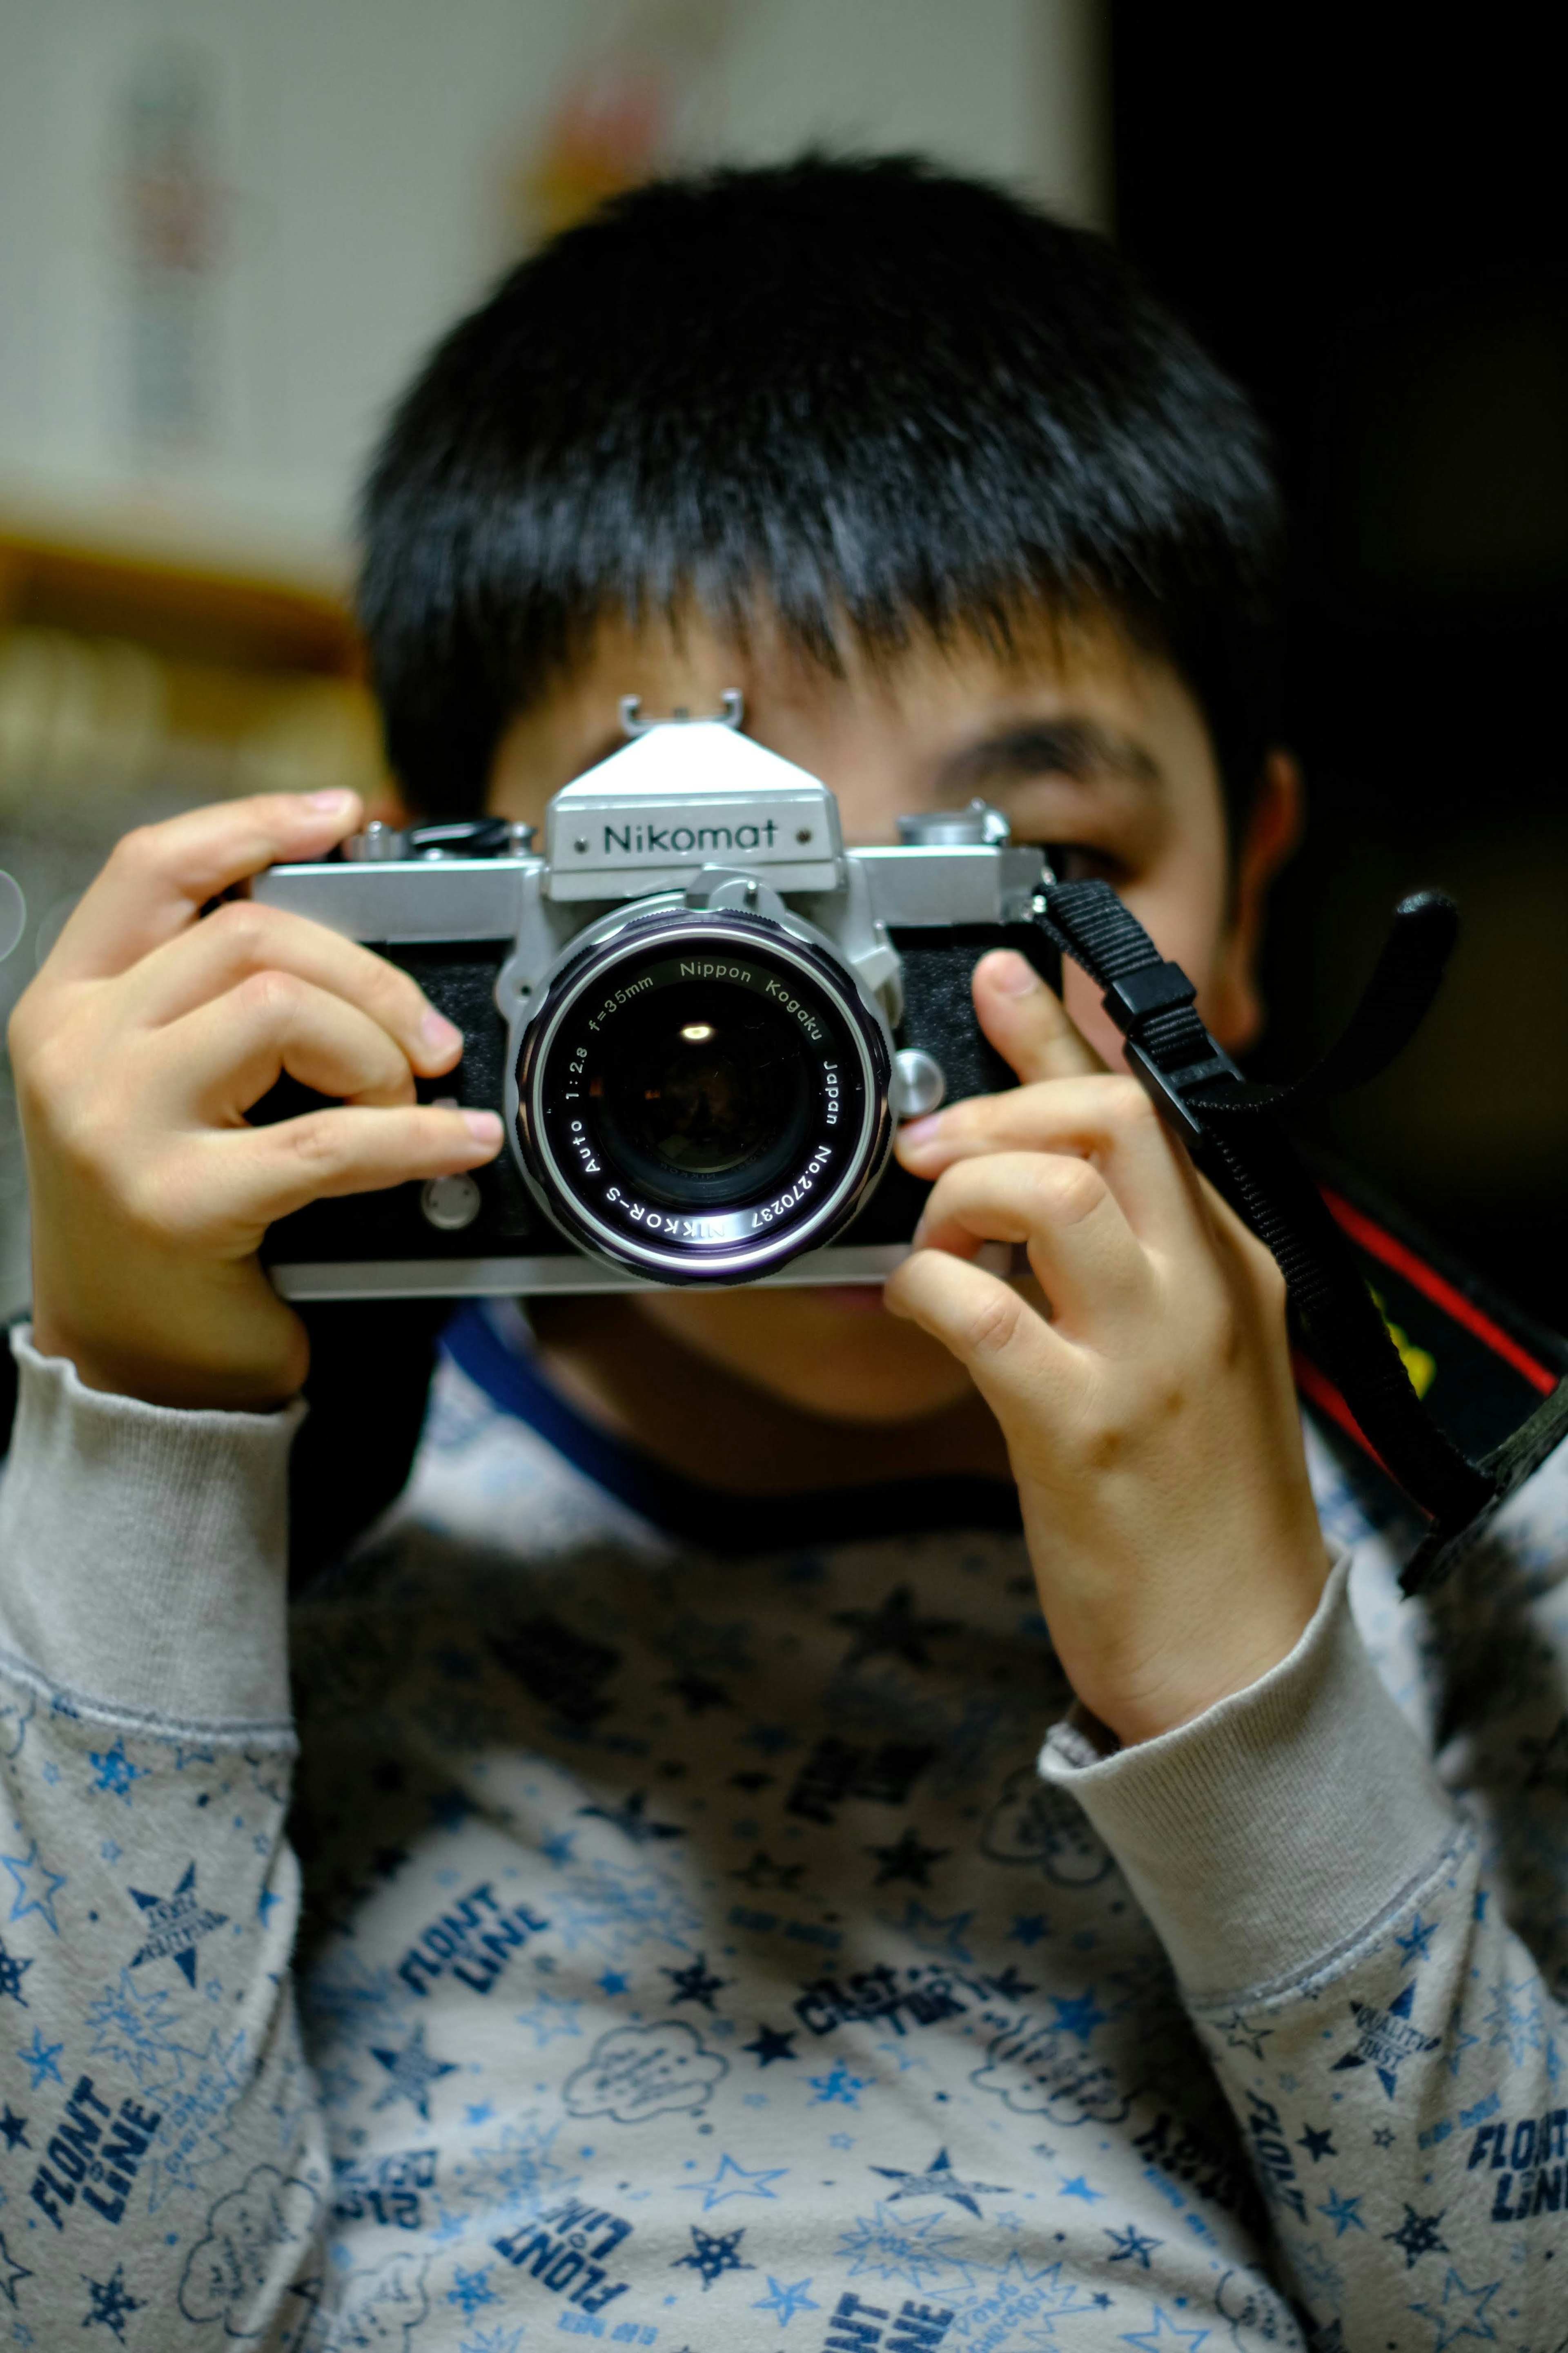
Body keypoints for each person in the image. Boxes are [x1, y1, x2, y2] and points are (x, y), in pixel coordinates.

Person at [2, 156, 1564, 2353]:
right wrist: (149, 1433)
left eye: (1013, 874)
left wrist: (1247, 1681)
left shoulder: (1463, 1527)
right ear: (439, 911)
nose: (816, 1023)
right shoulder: (237, 1538)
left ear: (1250, 892)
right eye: (679, 905)